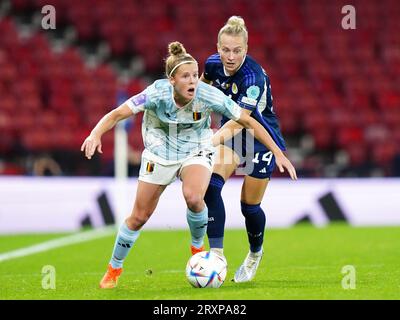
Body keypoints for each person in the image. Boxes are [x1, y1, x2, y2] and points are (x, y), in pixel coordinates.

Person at [81, 41, 296, 289]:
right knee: (139, 216)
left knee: (195, 197)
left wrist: (277, 152)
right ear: (172, 80)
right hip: (159, 154)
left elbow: (248, 122)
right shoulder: (156, 93)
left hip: (196, 150)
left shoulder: (207, 95)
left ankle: (198, 248)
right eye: (186, 76)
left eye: (195, 75)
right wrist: (95, 134)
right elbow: (118, 113)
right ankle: (114, 269)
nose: (193, 81)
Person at [200, 16, 296, 283]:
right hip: (229, 130)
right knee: (211, 186)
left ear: (246, 49)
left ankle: (255, 253)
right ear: (218, 47)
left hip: (258, 134)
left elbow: (242, 119)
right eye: (226, 50)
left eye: (237, 50)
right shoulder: (212, 64)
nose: (231, 56)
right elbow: (201, 89)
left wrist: (210, 140)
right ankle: (216, 255)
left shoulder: (252, 77)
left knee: (249, 206)